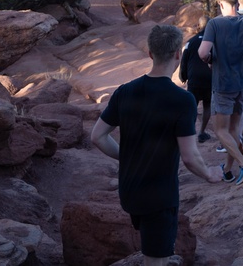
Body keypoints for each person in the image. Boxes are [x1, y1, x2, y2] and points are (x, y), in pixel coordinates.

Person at [92, 25, 221, 266]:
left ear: (150, 54)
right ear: (177, 55)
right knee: (156, 260)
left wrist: (127, 156)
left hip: (129, 191)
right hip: (159, 196)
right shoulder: (183, 100)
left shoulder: (124, 92)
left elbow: (97, 136)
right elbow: (190, 157)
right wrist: (210, 174)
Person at [198, 0, 243, 185]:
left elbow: (202, 52)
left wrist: (210, 59)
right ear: (238, 3)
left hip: (223, 83)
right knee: (234, 129)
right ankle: (228, 170)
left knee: (220, 130)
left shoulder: (215, 24)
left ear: (221, 4)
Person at [179, 16, 212, 142]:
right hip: (209, 77)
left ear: (198, 27)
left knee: (192, 106)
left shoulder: (190, 42)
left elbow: (184, 60)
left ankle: (190, 133)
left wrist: (183, 75)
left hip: (194, 79)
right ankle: (202, 132)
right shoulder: (213, 41)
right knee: (207, 105)